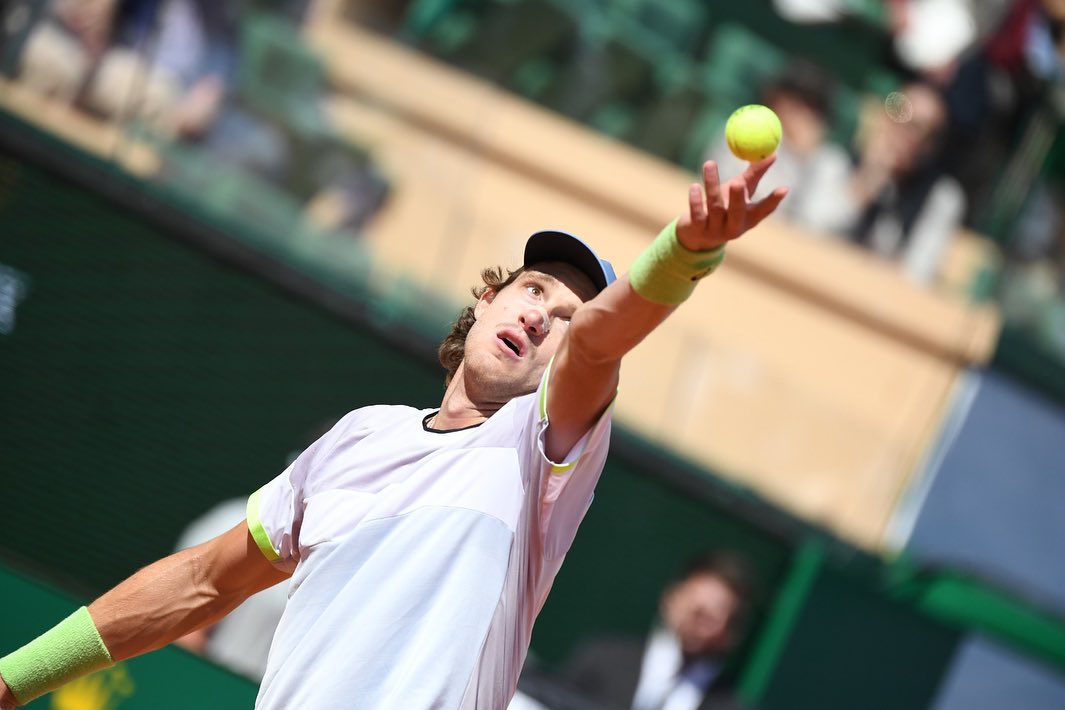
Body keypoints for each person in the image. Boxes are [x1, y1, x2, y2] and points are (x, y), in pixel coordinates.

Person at [0, 158, 787, 709]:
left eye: (562, 317)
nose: (538, 314)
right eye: (531, 289)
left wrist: (683, 255)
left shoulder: (540, 455)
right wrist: (13, 678)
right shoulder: (359, 438)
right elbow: (207, 581)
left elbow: (595, 347)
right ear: (485, 302)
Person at [557, 552, 755, 710]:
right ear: (670, 598)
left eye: (712, 618)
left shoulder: (728, 704)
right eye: (696, 611)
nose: (698, 626)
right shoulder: (602, 658)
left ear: (731, 632)